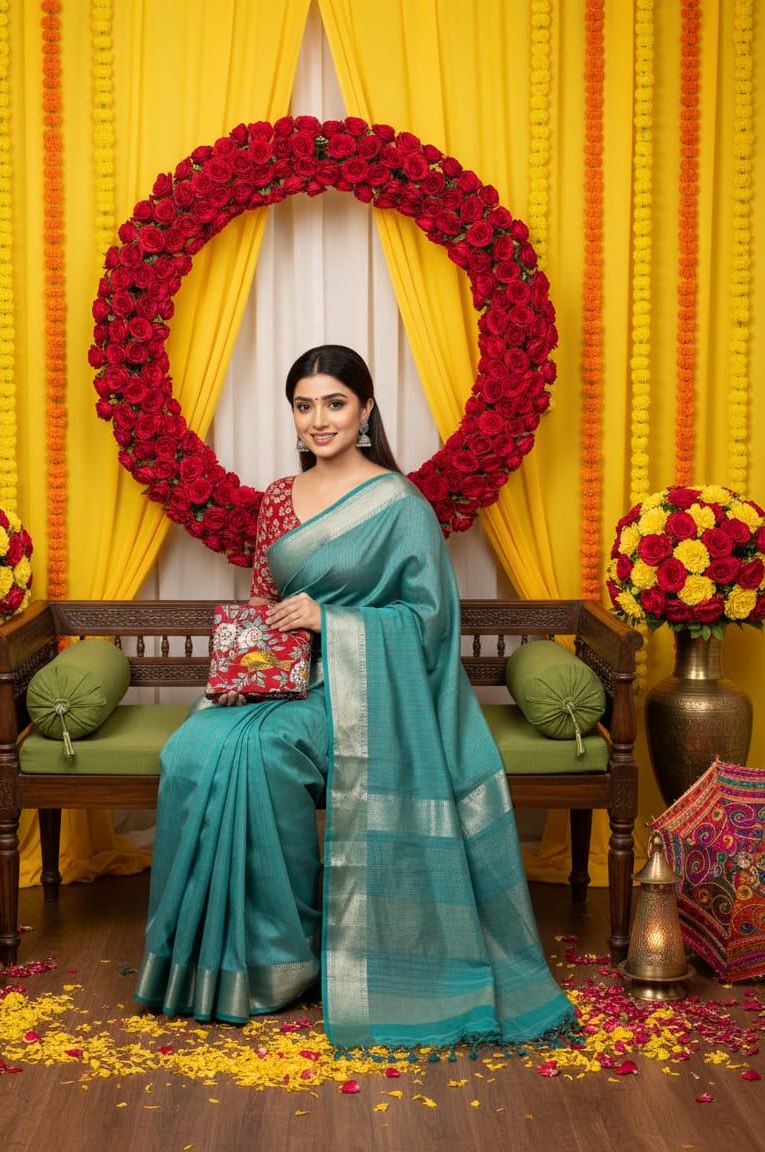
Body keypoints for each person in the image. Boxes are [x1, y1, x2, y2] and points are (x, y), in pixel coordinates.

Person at [134, 344, 575, 1050]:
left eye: (334, 403)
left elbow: (429, 623)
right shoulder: (279, 499)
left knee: (267, 752)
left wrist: (329, 620)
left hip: (367, 691)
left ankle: (289, 956)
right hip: (285, 679)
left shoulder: (401, 504)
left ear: (365, 409)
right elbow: (264, 599)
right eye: (304, 406)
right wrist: (245, 668)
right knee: (193, 748)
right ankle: (212, 960)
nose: (319, 420)